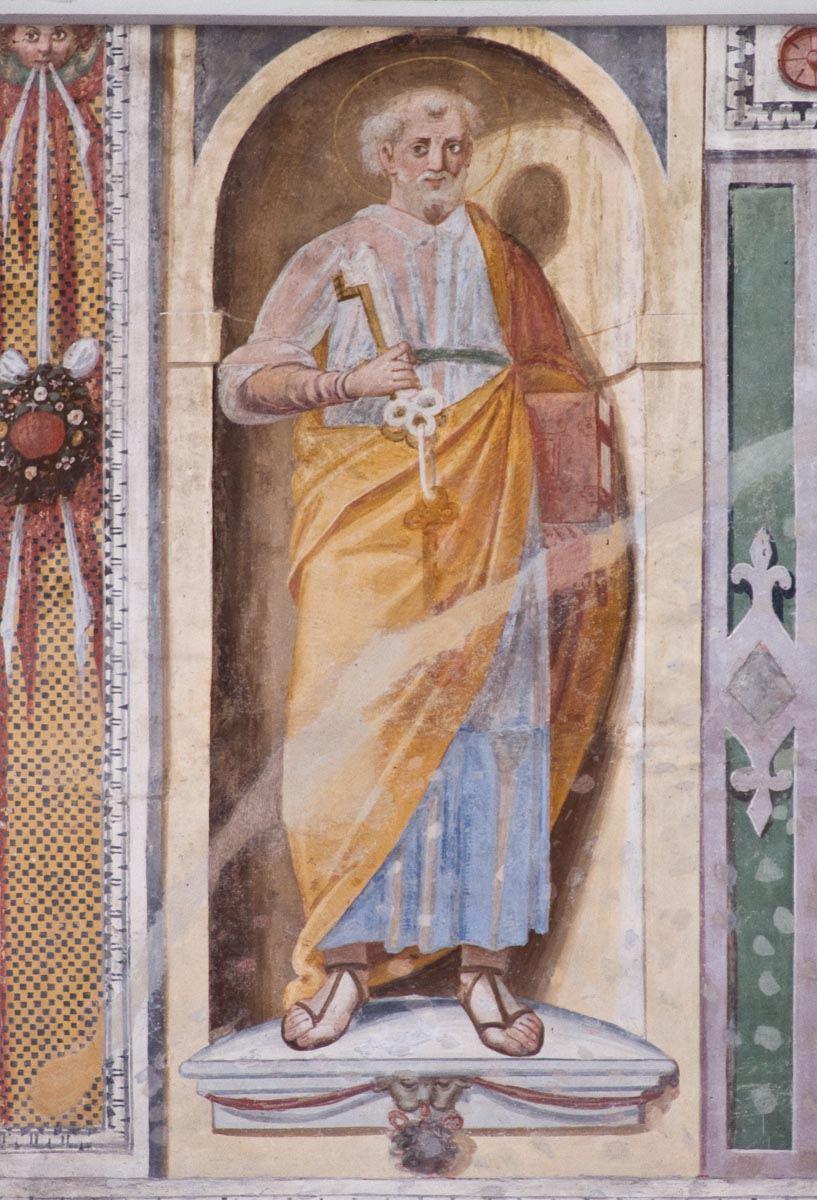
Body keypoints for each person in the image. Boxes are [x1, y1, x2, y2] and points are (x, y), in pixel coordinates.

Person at [218, 85, 628, 1057]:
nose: (441, 162)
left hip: (493, 512)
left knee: (495, 727)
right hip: (366, 517)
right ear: (385, 157)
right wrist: (343, 380)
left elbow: (560, 387)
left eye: (455, 146)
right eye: (422, 146)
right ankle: (343, 964)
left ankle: (484, 969)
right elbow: (243, 383)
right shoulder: (335, 255)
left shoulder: (504, 262)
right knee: (351, 725)